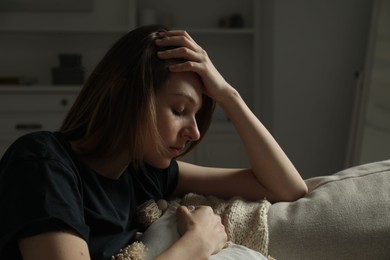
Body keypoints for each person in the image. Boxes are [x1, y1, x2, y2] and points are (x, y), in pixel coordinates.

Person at [0, 25, 308, 260]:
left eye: (197, 116)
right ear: (123, 96)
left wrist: (228, 94)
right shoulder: (42, 162)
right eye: (178, 110)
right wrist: (195, 245)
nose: (195, 133)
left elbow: (286, 188)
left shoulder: (140, 172)